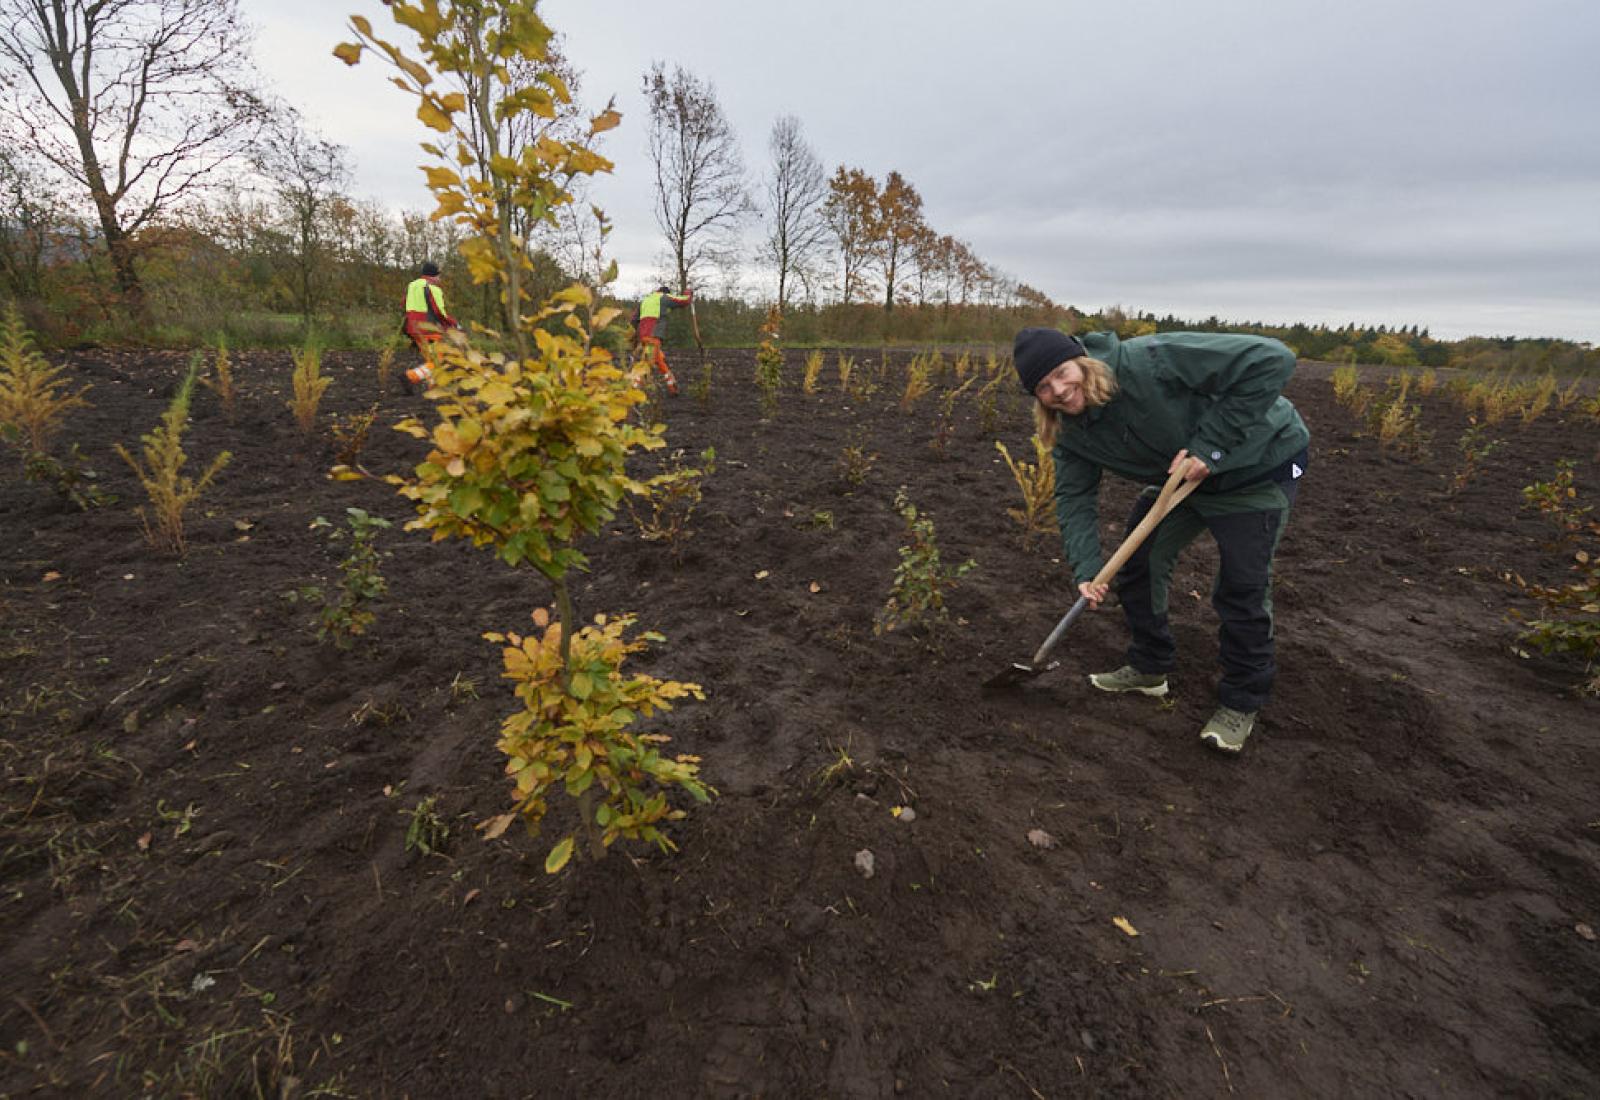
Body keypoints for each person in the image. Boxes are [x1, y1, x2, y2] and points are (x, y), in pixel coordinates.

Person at [1013, 326, 1310, 754]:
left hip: (1260, 467)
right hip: (1182, 482)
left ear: (1080, 359)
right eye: (1043, 386)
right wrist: (1086, 570)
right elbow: (1074, 497)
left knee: (1240, 587)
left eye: (1062, 372)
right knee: (1139, 564)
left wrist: (1211, 448)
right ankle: (1149, 667)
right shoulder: (1070, 433)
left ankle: (1241, 702)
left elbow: (1273, 359)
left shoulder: (1146, 360)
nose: (1059, 389)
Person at [402, 261, 457, 392]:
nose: (440, 279)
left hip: (412, 328)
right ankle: (411, 376)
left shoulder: (412, 286)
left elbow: (403, 303)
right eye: (439, 275)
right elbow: (439, 312)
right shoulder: (432, 288)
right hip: (428, 329)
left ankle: (433, 387)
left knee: (431, 359)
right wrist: (453, 324)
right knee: (438, 360)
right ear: (433, 275)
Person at [632, 285, 693, 395]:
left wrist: (638, 335)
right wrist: (688, 292)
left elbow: (633, 320)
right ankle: (634, 389)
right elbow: (685, 301)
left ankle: (672, 387)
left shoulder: (645, 300)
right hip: (653, 336)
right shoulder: (664, 297)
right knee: (646, 363)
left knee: (659, 360)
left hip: (644, 337)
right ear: (665, 293)